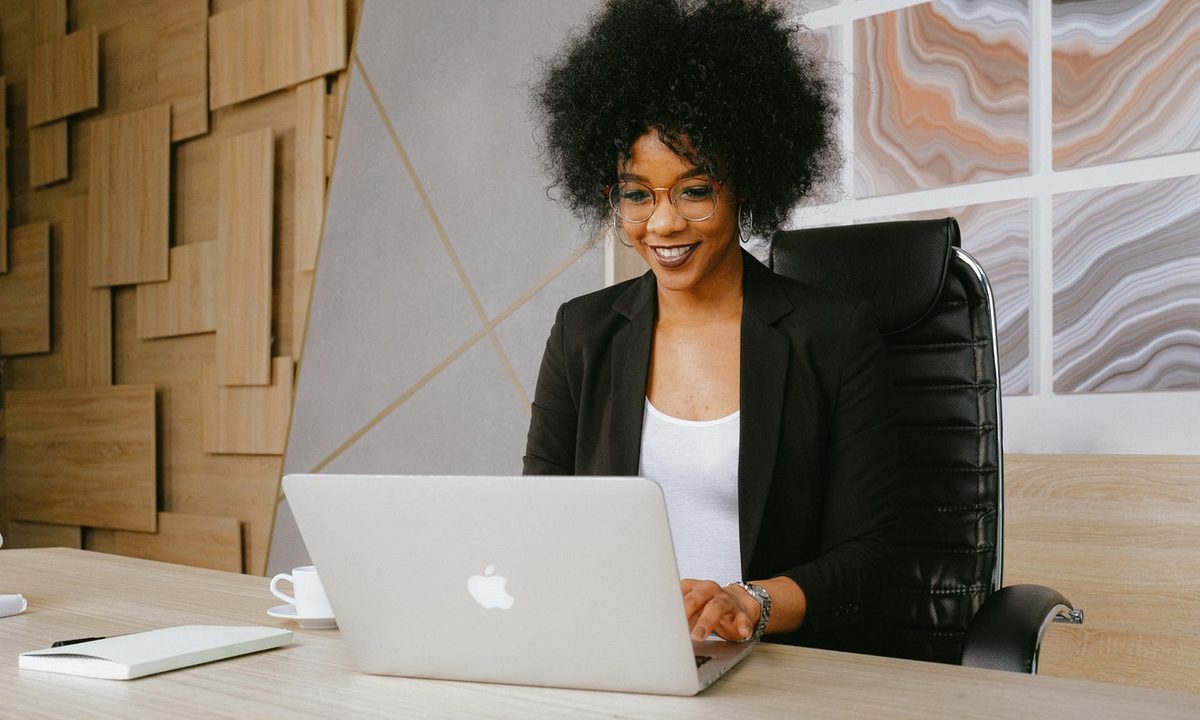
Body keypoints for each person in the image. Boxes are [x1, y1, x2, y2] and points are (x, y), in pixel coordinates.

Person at [523, 0, 896, 651]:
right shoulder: (582, 334)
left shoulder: (834, 336)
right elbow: (540, 525)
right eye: (638, 194)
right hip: (619, 657)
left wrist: (749, 601)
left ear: (744, 181)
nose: (662, 223)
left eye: (694, 190)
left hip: (779, 669)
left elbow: (869, 556)